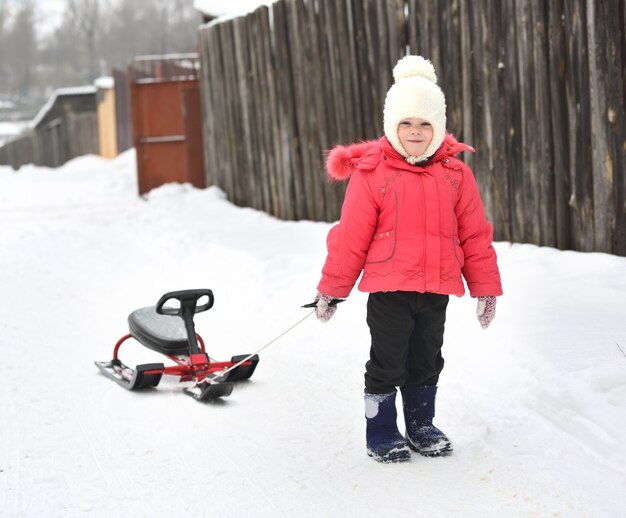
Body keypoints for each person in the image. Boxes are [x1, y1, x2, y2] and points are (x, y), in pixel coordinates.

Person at [313, 55, 502, 463]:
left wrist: (485, 287)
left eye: (424, 124)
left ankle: (420, 423)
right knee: (388, 361)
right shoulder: (373, 173)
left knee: (427, 358)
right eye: (406, 123)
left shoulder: (456, 175)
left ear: (438, 127)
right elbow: (351, 237)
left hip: (436, 291)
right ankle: (381, 429)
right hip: (389, 292)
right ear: (391, 125)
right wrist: (332, 289)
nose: (415, 132)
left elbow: (474, 234)